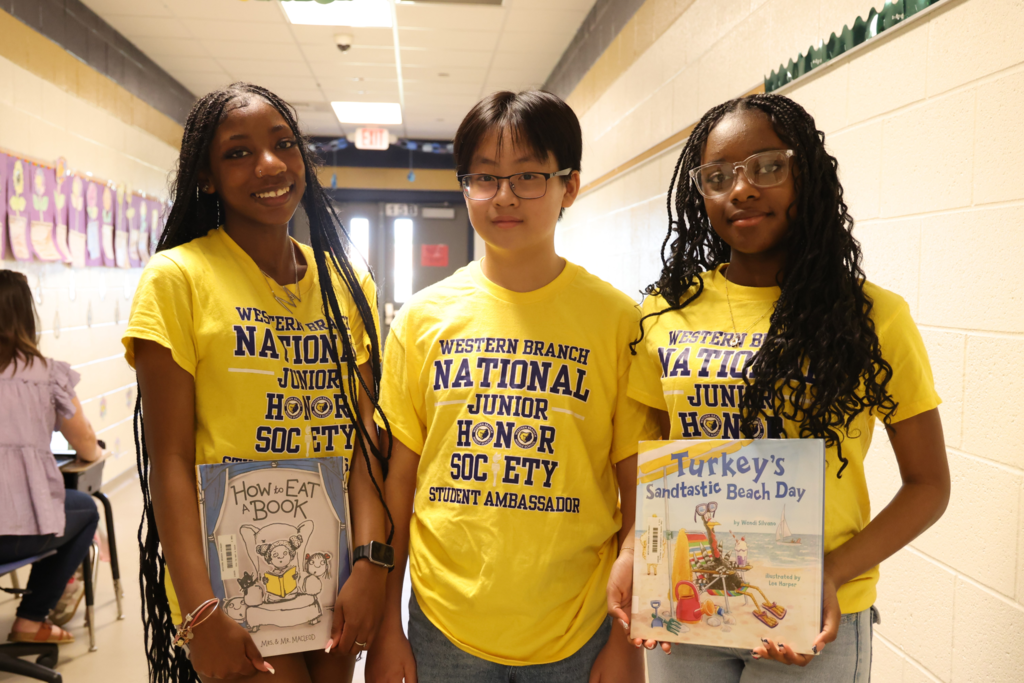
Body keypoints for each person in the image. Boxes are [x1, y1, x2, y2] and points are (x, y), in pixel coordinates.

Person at [615, 93, 950, 682]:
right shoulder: (666, 312)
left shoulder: (871, 317)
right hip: (690, 607)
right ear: (702, 195)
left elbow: (929, 485)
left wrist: (833, 571)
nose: (741, 190)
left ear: (806, 175)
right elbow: (653, 464)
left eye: (767, 167)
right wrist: (630, 555)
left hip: (817, 613)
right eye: (717, 177)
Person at [364, 90, 659, 683]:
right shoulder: (423, 320)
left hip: (578, 628)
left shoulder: (618, 321)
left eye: (528, 176)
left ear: (568, 186)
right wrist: (385, 628)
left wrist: (629, 641)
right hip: (444, 627)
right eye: (485, 177)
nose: (504, 196)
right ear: (464, 185)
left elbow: (642, 495)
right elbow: (399, 482)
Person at [124, 83, 394, 683]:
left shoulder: (346, 286)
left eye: (283, 144)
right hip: (229, 585)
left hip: (332, 570)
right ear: (206, 178)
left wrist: (371, 565)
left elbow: (364, 444)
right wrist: (200, 611)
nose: (270, 165)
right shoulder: (178, 279)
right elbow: (167, 458)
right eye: (238, 153)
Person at [0, 269, 102, 644]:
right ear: (27, 316)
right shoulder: (45, 375)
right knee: (86, 509)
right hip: (17, 535)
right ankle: (31, 619)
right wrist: (96, 449)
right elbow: (86, 444)